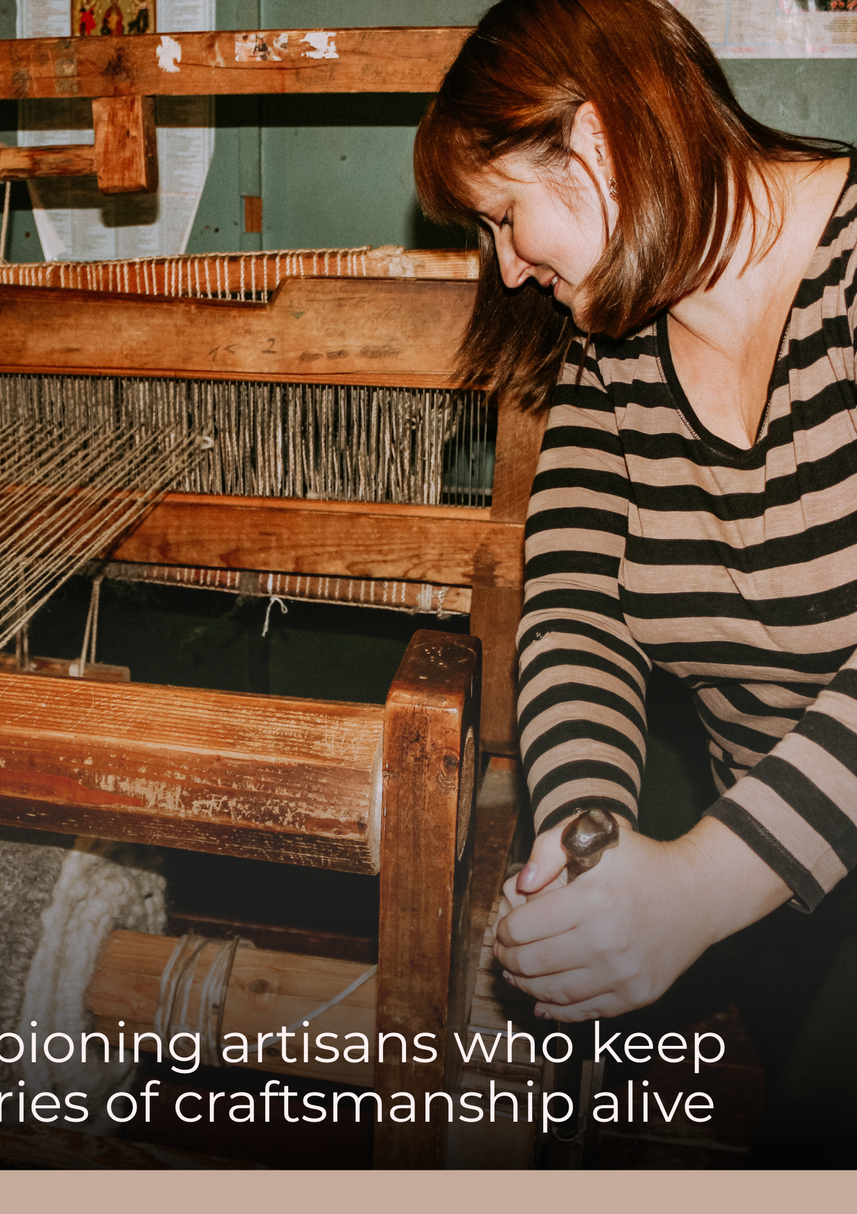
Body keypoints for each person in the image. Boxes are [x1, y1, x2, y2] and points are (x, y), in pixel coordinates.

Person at [413, 0, 854, 1165]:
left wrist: (699, 887)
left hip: (765, 860)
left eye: (505, 216)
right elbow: (575, 611)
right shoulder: (614, 347)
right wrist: (584, 836)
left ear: (596, 146)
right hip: (779, 869)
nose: (507, 265)